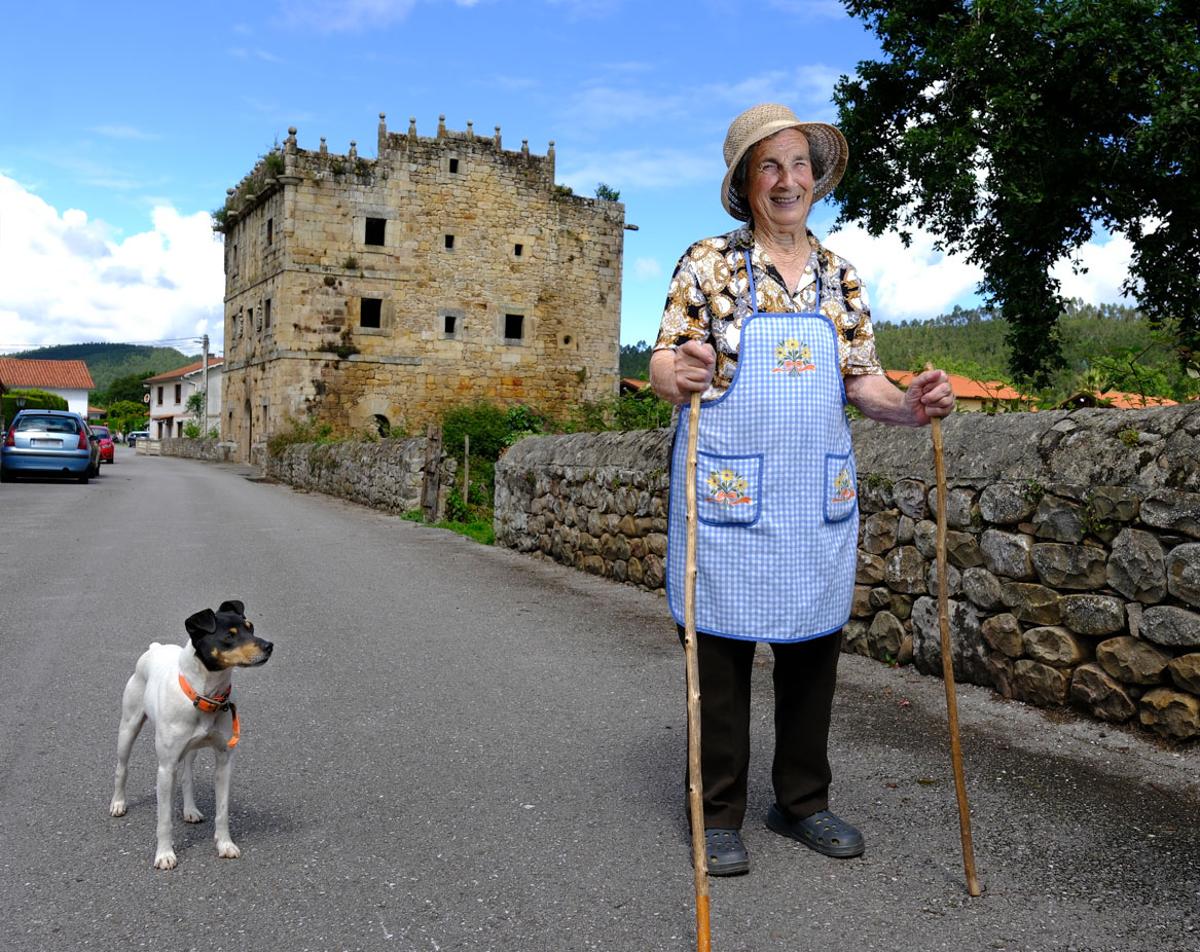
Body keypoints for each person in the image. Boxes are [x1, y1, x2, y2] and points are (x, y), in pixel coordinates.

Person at [650, 103, 955, 876]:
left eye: (798, 165)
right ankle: (715, 813)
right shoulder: (707, 265)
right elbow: (663, 364)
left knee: (813, 650)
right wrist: (677, 374)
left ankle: (802, 801)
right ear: (745, 184)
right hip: (728, 492)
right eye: (769, 166)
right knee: (718, 658)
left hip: (812, 497)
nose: (787, 180)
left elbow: (865, 383)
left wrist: (910, 406)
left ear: (816, 178)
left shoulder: (840, 275)